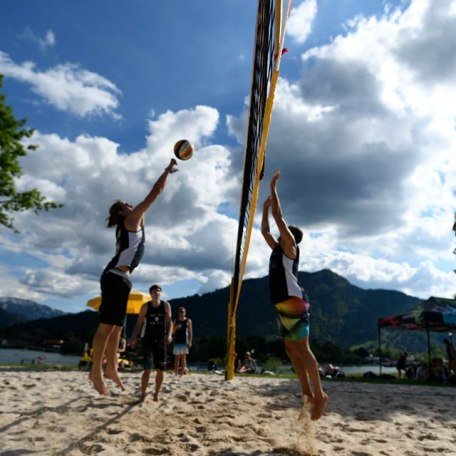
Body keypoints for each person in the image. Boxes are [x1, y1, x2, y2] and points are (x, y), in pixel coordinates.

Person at [89, 158, 178, 396]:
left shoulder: (133, 223)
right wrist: (166, 171)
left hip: (122, 278)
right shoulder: (129, 221)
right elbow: (155, 193)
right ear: (122, 212)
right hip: (115, 277)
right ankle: (96, 372)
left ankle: (111, 369)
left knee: (117, 328)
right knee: (106, 327)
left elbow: (150, 203)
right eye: (126, 204)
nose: (131, 204)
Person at [261, 170, 328, 421]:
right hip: (282, 302)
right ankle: (307, 395)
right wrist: (265, 209)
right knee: (290, 349)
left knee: (302, 347)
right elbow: (265, 231)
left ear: (291, 236)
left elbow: (279, 218)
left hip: (294, 300)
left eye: (285, 230)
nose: (281, 231)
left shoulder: (290, 246)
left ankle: (320, 395)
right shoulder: (277, 248)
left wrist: (273, 188)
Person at [130, 284, 173, 402]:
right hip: (148, 339)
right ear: (151, 294)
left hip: (161, 340)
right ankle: (143, 394)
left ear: (161, 293)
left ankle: (156, 394)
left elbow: (169, 322)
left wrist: (169, 335)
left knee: (160, 369)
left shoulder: (166, 305)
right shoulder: (145, 307)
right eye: (154, 291)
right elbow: (138, 324)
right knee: (147, 369)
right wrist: (133, 338)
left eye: (158, 291)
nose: (156, 293)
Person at [172, 307, 193, 376]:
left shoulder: (188, 321)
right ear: (178, 313)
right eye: (180, 312)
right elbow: (172, 331)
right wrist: (176, 327)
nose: (182, 313)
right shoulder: (176, 320)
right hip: (177, 340)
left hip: (184, 340)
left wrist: (190, 341)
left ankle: (181, 373)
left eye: (183, 312)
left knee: (183, 358)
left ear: (185, 312)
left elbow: (190, 332)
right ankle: (175, 373)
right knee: (177, 358)